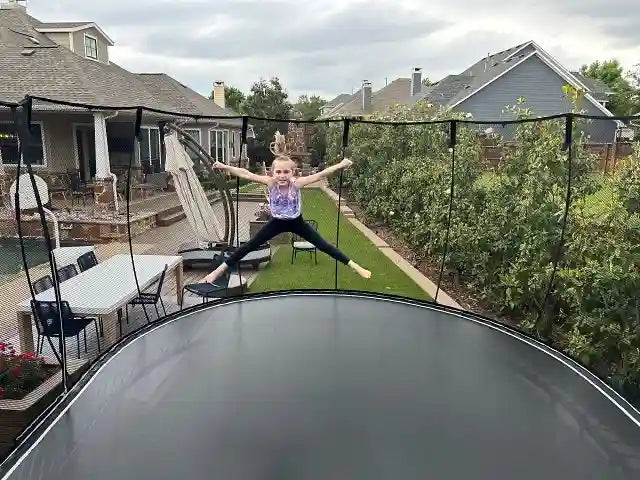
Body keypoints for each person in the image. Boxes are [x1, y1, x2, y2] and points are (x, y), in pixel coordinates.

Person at [203, 131, 371, 284]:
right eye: (278, 172)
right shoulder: (270, 182)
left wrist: (341, 164)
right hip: (276, 222)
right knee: (248, 246)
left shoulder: (297, 184)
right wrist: (224, 166)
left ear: (293, 173)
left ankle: (355, 266)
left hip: (297, 222)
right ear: (272, 173)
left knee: (324, 245)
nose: (282, 176)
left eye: (286, 172)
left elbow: (321, 174)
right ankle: (217, 272)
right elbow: (246, 173)